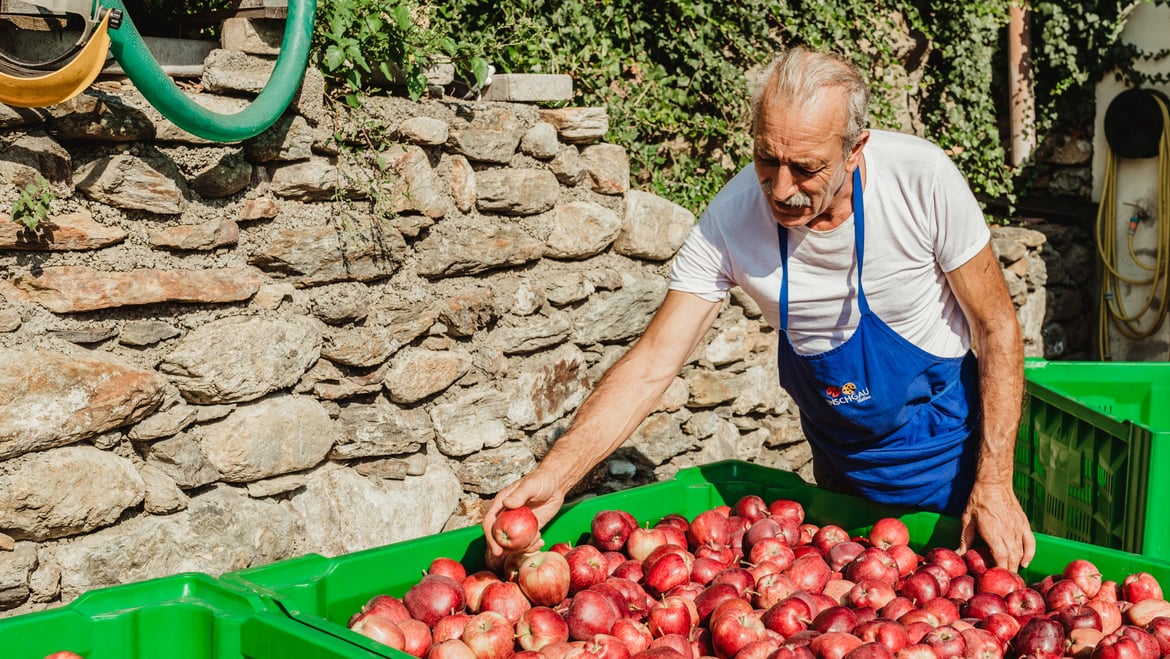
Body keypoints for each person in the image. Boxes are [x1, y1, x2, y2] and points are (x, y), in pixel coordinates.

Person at [482, 46, 1036, 572]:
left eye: (807, 167)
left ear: (856, 148)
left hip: (952, 466)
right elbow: (653, 362)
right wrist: (557, 475)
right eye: (766, 158)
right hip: (838, 476)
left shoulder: (922, 180)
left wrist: (994, 483)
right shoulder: (731, 218)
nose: (782, 188)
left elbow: (997, 328)